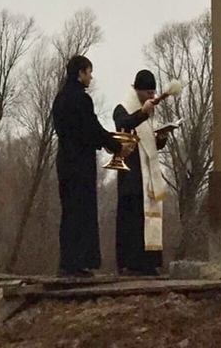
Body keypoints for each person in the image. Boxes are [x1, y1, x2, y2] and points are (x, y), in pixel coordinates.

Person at [51, 55, 122, 277]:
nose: (91, 76)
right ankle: (80, 262)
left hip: (64, 160)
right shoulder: (82, 99)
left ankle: (67, 261)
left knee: (69, 210)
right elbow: (91, 129)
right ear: (81, 73)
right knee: (83, 210)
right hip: (80, 162)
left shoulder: (60, 98)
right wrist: (114, 145)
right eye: (89, 72)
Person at [113, 68, 170, 276]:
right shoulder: (123, 108)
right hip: (131, 173)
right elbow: (124, 125)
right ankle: (130, 262)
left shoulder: (148, 109)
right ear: (139, 90)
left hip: (147, 171)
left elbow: (150, 143)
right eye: (148, 93)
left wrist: (161, 137)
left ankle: (148, 262)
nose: (152, 97)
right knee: (132, 218)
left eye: (154, 93)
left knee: (148, 219)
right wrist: (143, 113)